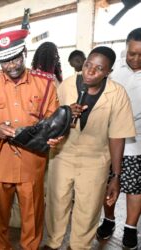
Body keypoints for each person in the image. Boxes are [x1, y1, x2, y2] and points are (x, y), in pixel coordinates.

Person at [0, 29, 61, 250]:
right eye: (4, 61)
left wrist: (53, 137)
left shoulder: (46, 83)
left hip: (32, 162)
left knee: (32, 216)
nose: (11, 65)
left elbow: (54, 122)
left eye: (15, 58)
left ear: (24, 51)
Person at [43, 46, 136, 250]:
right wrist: (65, 114)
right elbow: (49, 120)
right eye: (88, 65)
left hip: (96, 160)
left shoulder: (117, 93)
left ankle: (79, 246)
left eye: (99, 68)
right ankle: (52, 243)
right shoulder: (67, 85)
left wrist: (116, 176)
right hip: (62, 154)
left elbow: (117, 136)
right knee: (56, 204)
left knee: (88, 208)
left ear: (108, 72)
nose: (90, 72)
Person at [96, 28, 141, 250]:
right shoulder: (113, 71)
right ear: (126, 47)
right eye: (132, 53)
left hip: (137, 144)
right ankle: (109, 219)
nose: (136, 59)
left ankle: (131, 228)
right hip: (110, 140)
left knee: (135, 188)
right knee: (108, 184)